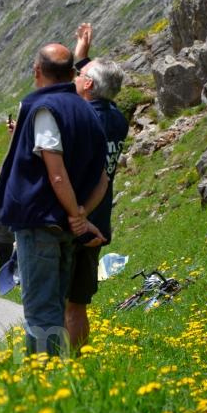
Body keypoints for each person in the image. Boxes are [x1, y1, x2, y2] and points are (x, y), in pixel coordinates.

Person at [0, 43, 108, 357]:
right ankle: (58, 374)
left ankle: (44, 381)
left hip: (41, 223)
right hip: (67, 228)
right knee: (54, 303)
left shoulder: (44, 108)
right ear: (71, 73)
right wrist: (82, 214)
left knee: (40, 310)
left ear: (36, 71)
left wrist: (75, 214)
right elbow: (103, 178)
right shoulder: (88, 110)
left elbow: (56, 174)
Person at [66, 23, 130, 352]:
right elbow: (86, 82)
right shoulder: (117, 118)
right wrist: (83, 54)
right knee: (77, 302)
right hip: (98, 222)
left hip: (71, 219)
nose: (76, 77)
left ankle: (49, 364)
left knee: (54, 300)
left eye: (81, 75)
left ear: (88, 84)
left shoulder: (80, 119)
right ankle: (74, 363)